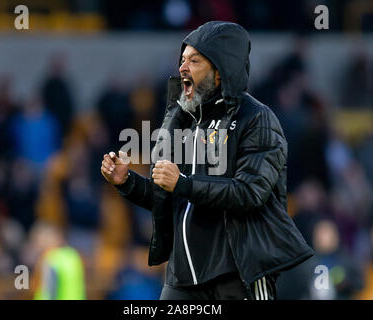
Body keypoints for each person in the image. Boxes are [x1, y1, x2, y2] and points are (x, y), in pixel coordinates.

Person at [101, 21, 313, 300]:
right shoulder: (180, 121)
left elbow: (250, 192)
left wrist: (183, 183)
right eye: (182, 59)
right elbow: (168, 197)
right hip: (183, 277)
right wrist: (127, 182)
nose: (182, 67)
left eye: (194, 60)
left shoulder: (255, 118)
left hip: (238, 272)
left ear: (220, 70)